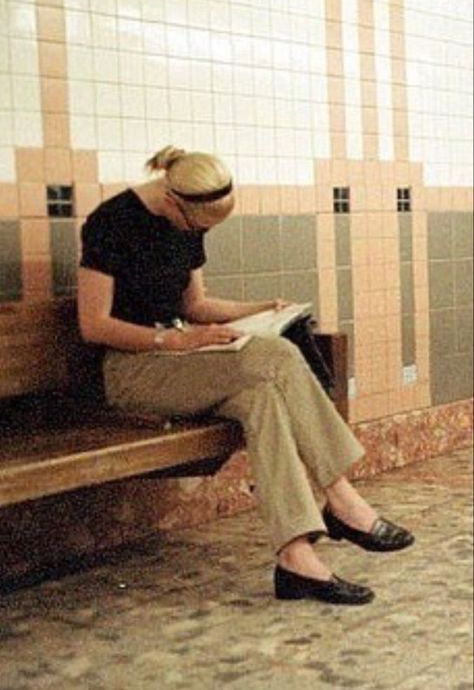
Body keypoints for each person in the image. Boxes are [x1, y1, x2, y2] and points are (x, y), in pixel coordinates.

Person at [78, 145, 414, 606]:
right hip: (134, 371)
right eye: (200, 226)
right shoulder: (111, 223)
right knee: (275, 357)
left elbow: (195, 307)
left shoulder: (188, 223)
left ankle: (296, 559)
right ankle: (341, 497)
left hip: (184, 365)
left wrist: (261, 310)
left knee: (263, 400)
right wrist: (173, 342)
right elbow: (93, 325)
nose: (200, 234)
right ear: (176, 202)